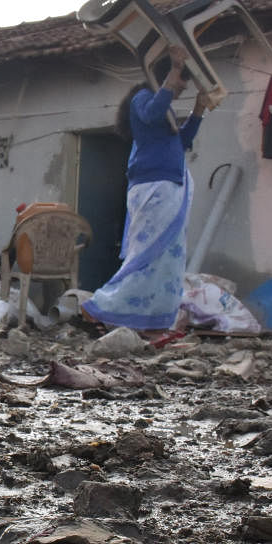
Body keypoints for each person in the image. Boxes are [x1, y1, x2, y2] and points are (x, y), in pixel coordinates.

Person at [82, 47, 209, 333]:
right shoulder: (144, 100)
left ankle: (150, 319)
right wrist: (174, 71)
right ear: (164, 77)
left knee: (167, 260)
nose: (180, 88)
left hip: (170, 186)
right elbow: (152, 114)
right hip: (154, 187)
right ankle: (107, 307)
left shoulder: (165, 112)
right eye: (179, 82)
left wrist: (199, 109)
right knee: (147, 255)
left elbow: (182, 141)